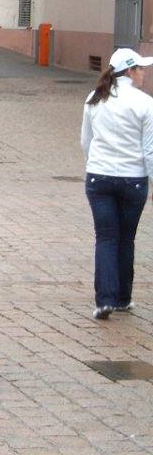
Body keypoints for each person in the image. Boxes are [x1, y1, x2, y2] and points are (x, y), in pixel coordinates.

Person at [81, 47, 153, 319]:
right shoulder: (145, 103)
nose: (144, 73)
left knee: (106, 238)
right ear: (131, 71)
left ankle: (105, 300)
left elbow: (85, 141)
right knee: (126, 239)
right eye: (141, 69)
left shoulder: (95, 98)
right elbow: (149, 151)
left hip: (98, 177)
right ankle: (122, 297)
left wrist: (96, 165)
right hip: (133, 180)